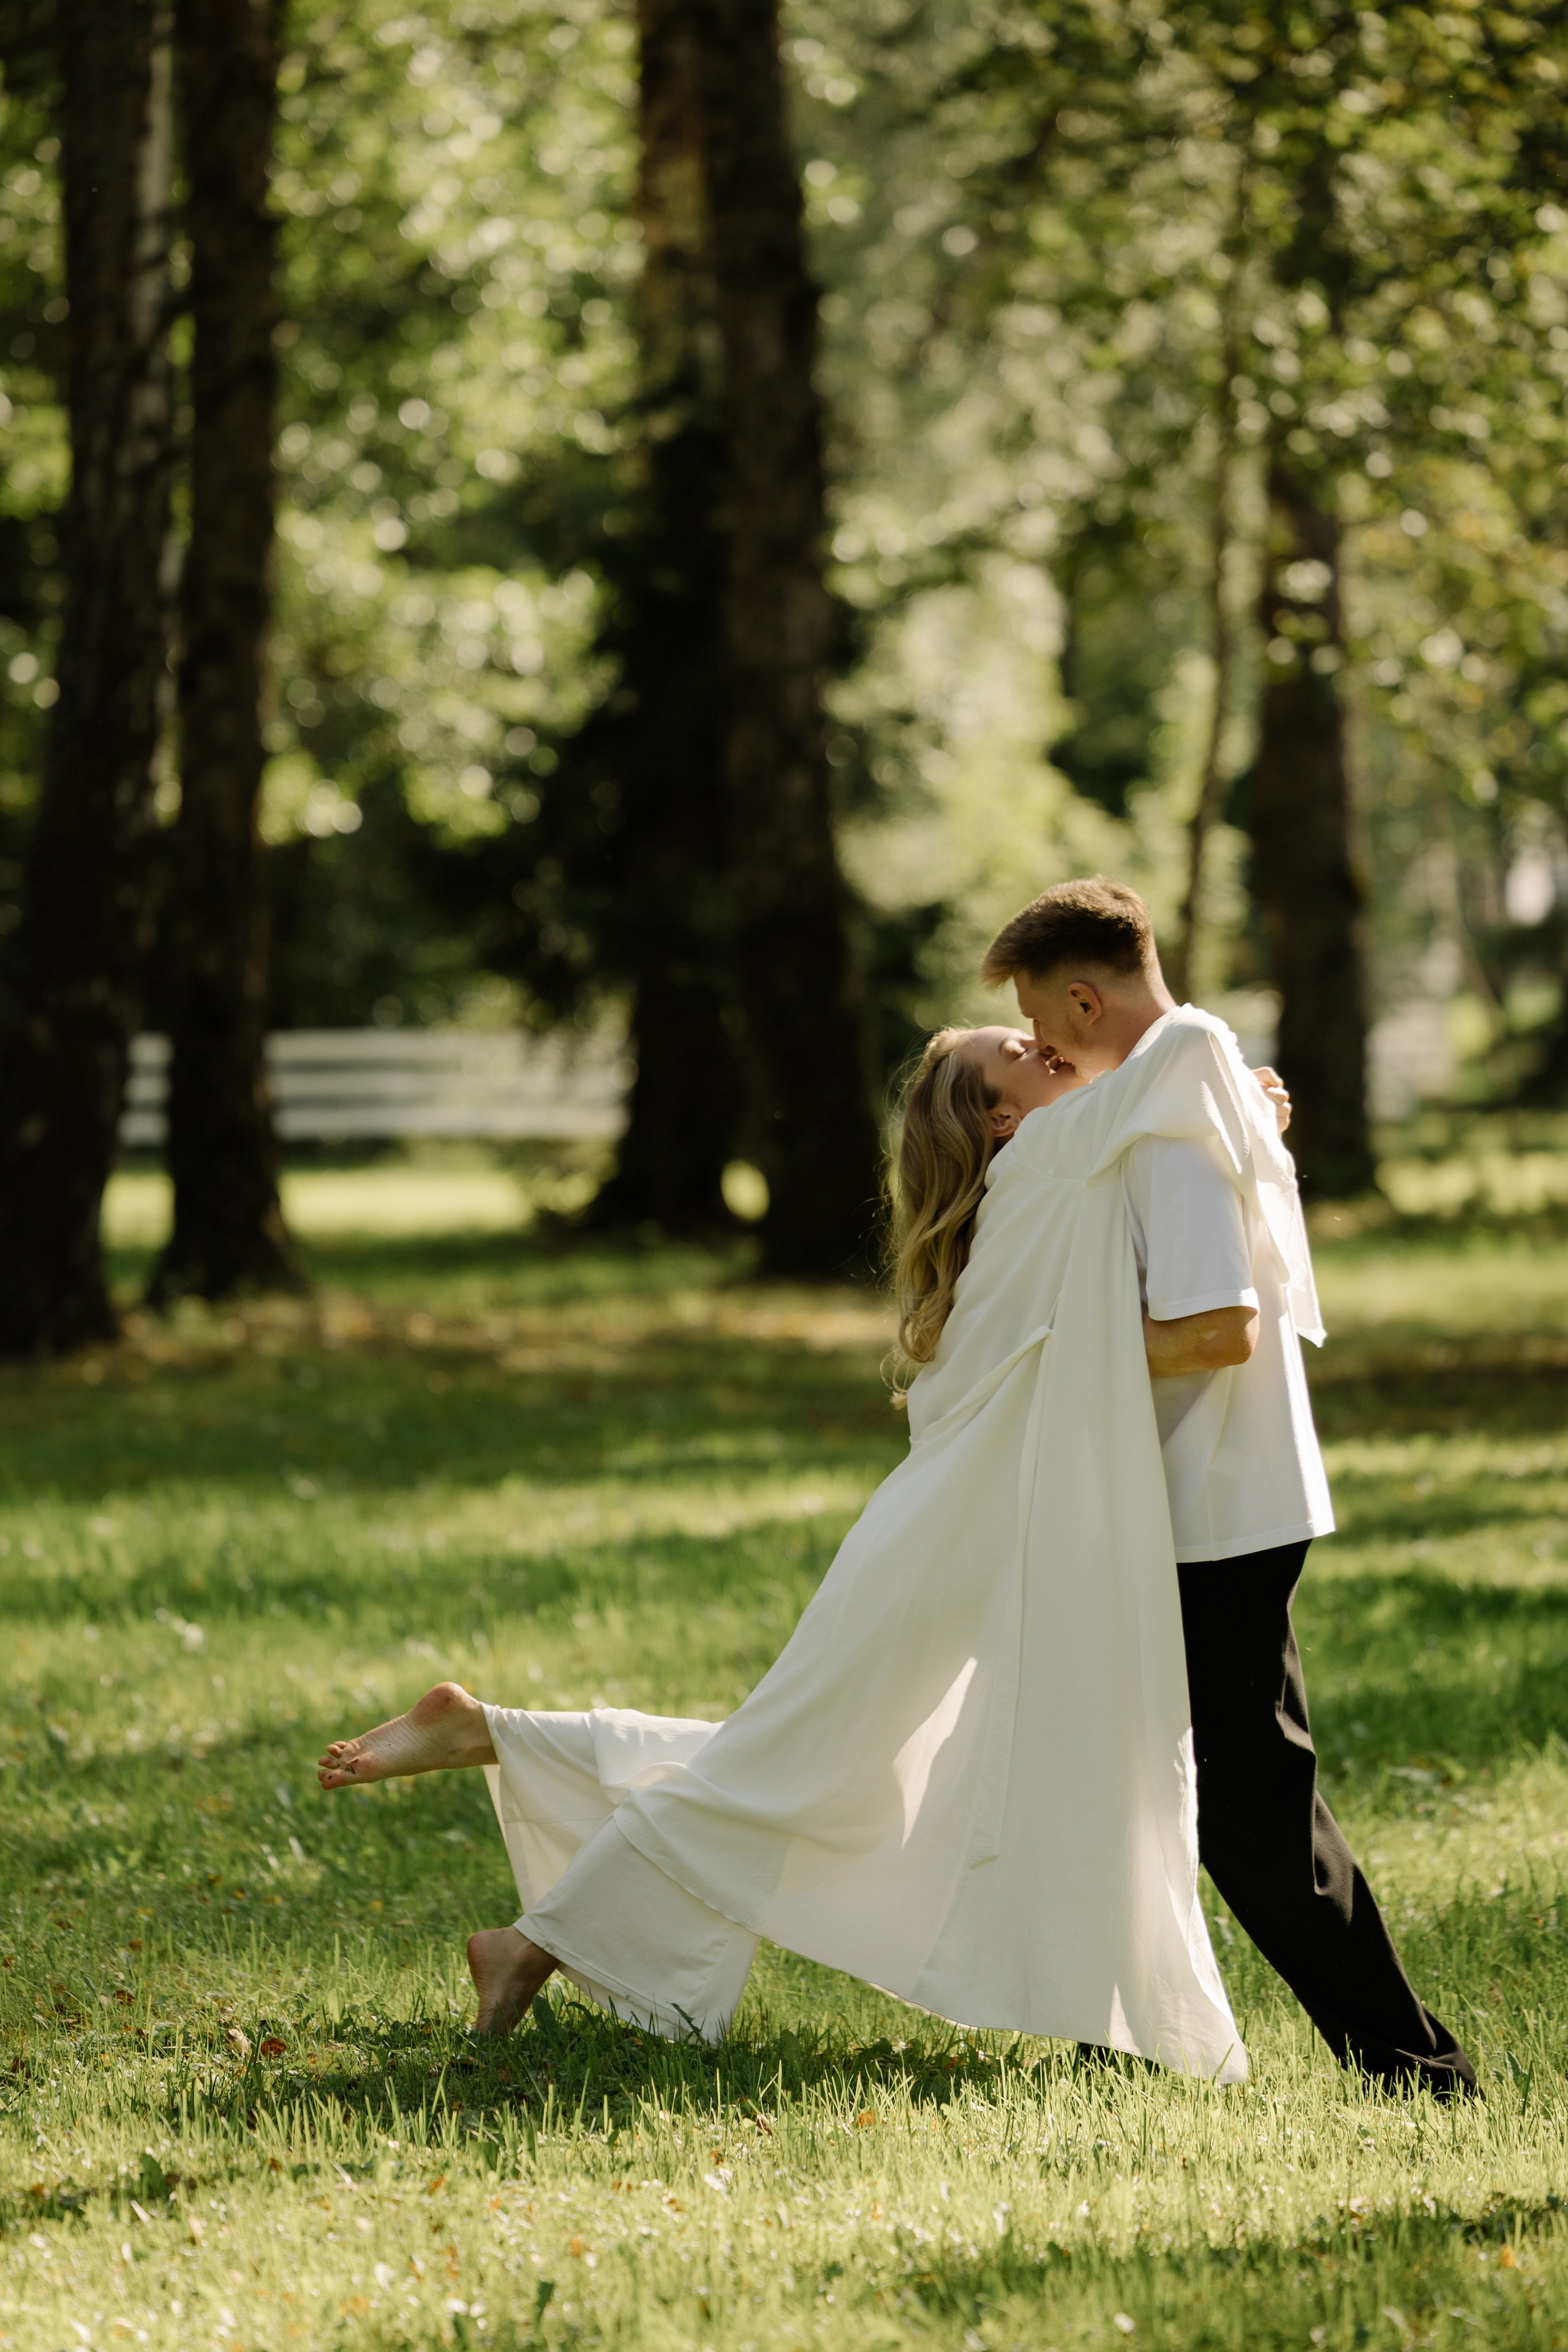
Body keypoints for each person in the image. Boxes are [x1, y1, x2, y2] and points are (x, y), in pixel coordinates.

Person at [315, 998, 1305, 2085]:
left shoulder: (1061, 1163)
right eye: (1014, 1053)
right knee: (797, 1773)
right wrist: (1238, 1101)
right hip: (947, 1544)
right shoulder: (1049, 1169)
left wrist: (1245, 1118)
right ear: (1004, 1123)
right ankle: (528, 1937)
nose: (1043, 1045)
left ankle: (504, 1743)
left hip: (983, 1539)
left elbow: (1157, 1117)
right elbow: (1168, 1076)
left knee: (816, 1770)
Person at [978, 874, 1476, 2098]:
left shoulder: (1177, 1140)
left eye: (1042, 1025)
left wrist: (1052, 1344)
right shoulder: (1186, 1102)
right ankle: (1114, 2043)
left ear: (1084, 996)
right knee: (1130, 1776)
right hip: (1189, 1506)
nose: (1038, 1050)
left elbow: (1212, 1330)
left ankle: (1417, 2070)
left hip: (1217, 1515)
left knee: (1251, 1818)